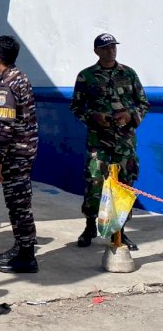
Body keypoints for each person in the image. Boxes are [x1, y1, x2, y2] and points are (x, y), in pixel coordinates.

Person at [70, 33, 148, 250]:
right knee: (94, 183)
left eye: (113, 47)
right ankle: (89, 226)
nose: (110, 51)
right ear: (96, 51)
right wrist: (93, 117)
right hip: (98, 142)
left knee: (124, 185)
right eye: (105, 48)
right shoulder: (86, 76)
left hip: (124, 143)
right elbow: (76, 107)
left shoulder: (128, 74)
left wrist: (130, 115)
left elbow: (143, 103)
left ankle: (120, 231)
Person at [0, 36, 39, 274]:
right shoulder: (20, 77)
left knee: (19, 205)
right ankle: (20, 247)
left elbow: (4, 127)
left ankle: (27, 256)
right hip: (24, 149)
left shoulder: (6, 84)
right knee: (18, 203)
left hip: (14, 154)